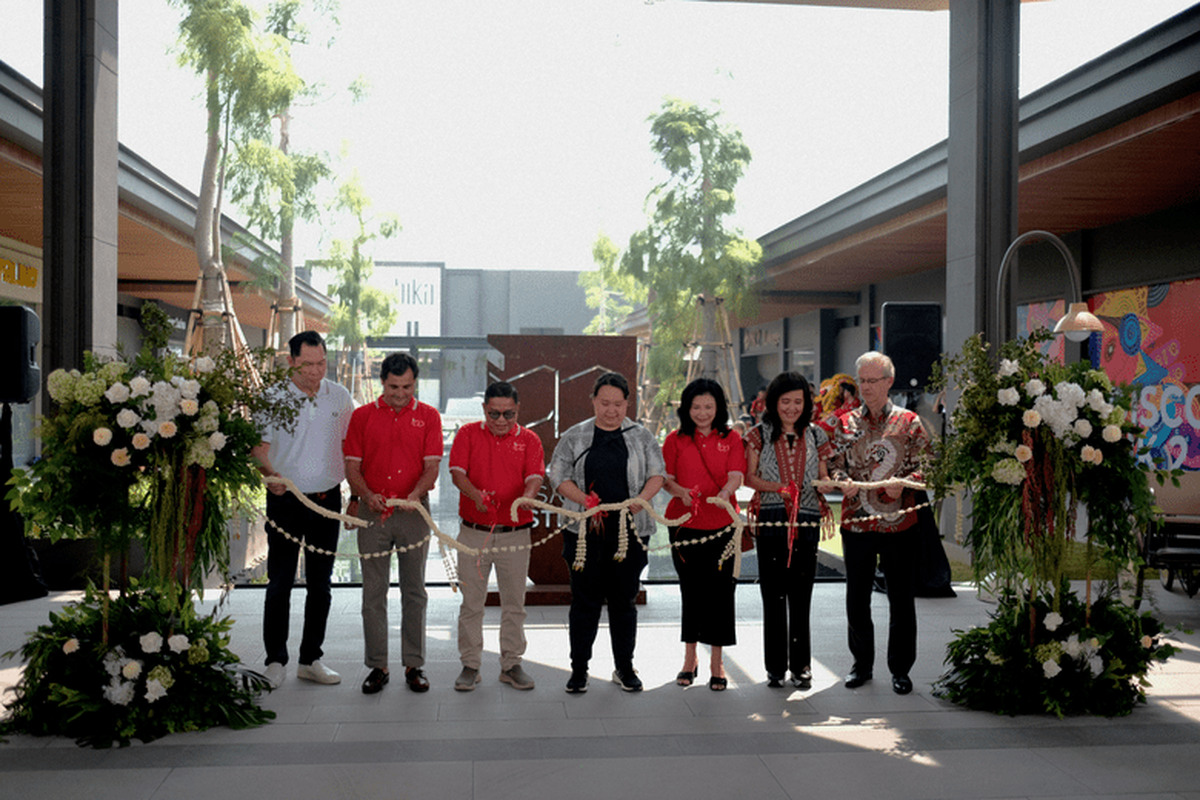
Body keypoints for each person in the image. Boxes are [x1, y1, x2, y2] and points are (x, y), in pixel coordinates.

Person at [548, 372, 665, 694]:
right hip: (584, 532)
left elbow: (658, 473)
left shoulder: (642, 437)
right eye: (604, 403)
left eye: (618, 404)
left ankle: (625, 668)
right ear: (593, 402)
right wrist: (583, 499)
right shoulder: (576, 436)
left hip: (631, 530)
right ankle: (579, 670)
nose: (611, 410)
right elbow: (557, 474)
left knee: (623, 601)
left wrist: (643, 498)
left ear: (628, 402)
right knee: (584, 601)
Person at [252, 331, 353, 689]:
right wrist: (270, 475)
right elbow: (258, 448)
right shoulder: (272, 397)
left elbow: (351, 449)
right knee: (279, 582)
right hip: (285, 499)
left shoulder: (339, 397)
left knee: (321, 585)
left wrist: (355, 494)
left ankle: (311, 658)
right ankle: (275, 659)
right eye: (307, 364)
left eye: (322, 363)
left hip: (327, 500)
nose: (315, 371)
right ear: (291, 360)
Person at [828, 351, 931, 696]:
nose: (867, 388)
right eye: (862, 381)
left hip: (899, 524)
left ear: (889, 381)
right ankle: (861, 664)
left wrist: (905, 482)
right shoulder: (845, 423)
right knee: (857, 597)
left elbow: (929, 468)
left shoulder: (910, 422)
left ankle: (900, 669)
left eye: (873, 381)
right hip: (856, 523)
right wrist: (842, 480)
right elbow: (834, 465)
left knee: (901, 598)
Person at [343, 352, 442, 695]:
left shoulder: (429, 417)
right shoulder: (362, 417)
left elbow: (432, 468)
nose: (401, 393)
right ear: (381, 383)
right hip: (373, 512)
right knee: (373, 593)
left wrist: (415, 495)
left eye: (408, 386)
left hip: (414, 512)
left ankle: (414, 664)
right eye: (393, 386)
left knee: (414, 591)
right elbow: (352, 468)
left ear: (416, 383)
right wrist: (366, 496)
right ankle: (377, 665)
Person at [449, 381, 545, 692]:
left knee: (514, 602)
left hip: (515, 534)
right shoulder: (467, 434)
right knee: (472, 602)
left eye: (509, 414)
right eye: (494, 414)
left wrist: (527, 497)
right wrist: (475, 495)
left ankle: (511, 664)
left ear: (518, 411)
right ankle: (470, 665)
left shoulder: (530, 439)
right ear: (484, 410)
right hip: (473, 532)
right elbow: (457, 473)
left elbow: (534, 476)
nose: (501, 420)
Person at [745, 371, 832, 690]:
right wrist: (779, 488)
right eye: (785, 401)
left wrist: (833, 483)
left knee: (801, 596)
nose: (792, 407)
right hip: (769, 521)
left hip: (807, 521)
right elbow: (748, 478)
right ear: (773, 403)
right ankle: (774, 668)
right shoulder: (757, 434)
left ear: (806, 403)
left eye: (798, 401)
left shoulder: (817, 435)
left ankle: (802, 666)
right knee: (772, 595)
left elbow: (823, 475)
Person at [662, 378, 746, 691]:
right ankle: (689, 658)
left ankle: (717, 661)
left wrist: (726, 492)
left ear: (718, 408)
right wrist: (681, 492)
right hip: (684, 525)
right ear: (686, 408)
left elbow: (737, 474)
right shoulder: (675, 439)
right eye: (696, 406)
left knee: (722, 593)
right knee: (691, 591)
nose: (702, 412)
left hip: (722, 525)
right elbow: (667, 479)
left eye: (708, 406)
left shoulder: (732, 438)